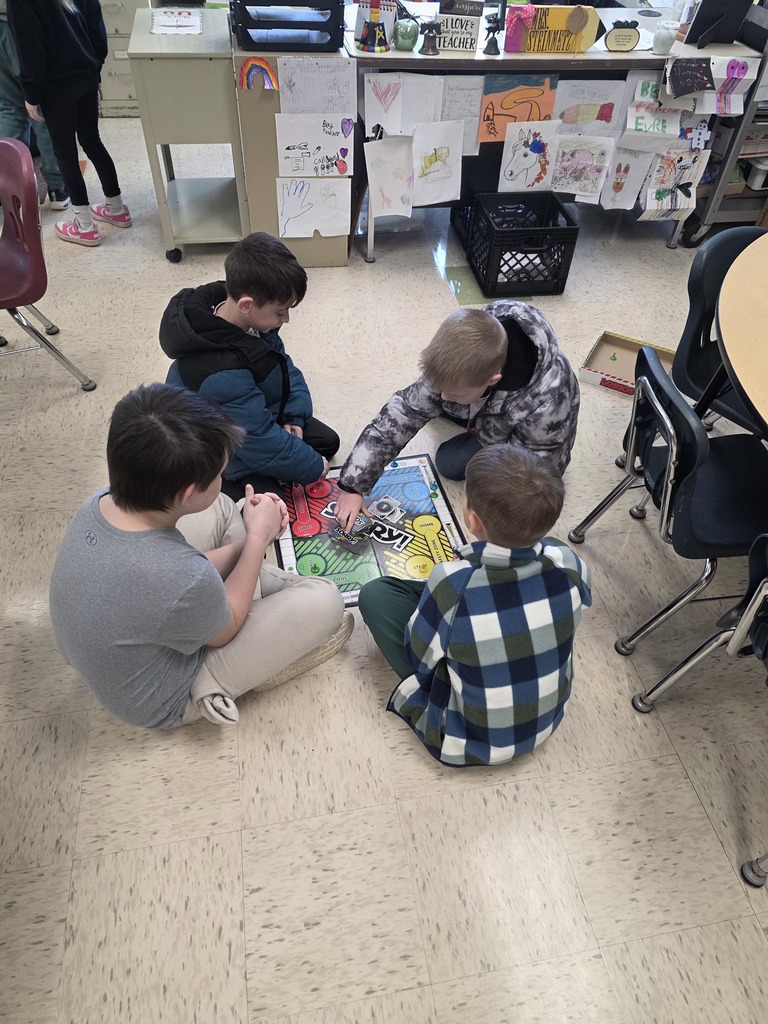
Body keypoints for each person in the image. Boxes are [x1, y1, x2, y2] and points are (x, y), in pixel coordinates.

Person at [49, 383, 352, 729]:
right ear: (189, 492)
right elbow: (220, 627)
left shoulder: (99, 500)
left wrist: (250, 539)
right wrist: (256, 538)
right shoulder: (178, 577)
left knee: (224, 509)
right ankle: (215, 688)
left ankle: (252, 583)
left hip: (112, 651)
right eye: (219, 474)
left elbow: (175, 579)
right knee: (326, 600)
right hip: (163, 698)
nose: (223, 477)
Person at [358, 444, 591, 767]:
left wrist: (454, 578)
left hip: (469, 738)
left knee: (376, 596)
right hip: (544, 724)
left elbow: (418, 654)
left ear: (471, 519)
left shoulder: (452, 582)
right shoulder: (567, 560)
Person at [334, 302, 580, 531]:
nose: (442, 395)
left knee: (449, 463)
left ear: (492, 380)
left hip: (516, 436)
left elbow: (538, 470)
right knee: (429, 403)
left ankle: (474, 421)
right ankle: (468, 410)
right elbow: (402, 414)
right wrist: (354, 485)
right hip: (483, 405)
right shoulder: (463, 355)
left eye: (452, 392)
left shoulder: (547, 401)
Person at [160, 232, 340, 501]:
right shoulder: (219, 371)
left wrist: (292, 416)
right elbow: (255, 439)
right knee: (271, 499)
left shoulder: (250, 321)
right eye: (281, 311)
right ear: (247, 304)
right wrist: (312, 467)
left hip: (251, 416)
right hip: (222, 450)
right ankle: (225, 485)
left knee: (328, 442)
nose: (286, 319)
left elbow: (286, 369)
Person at [7, 0, 131, 247]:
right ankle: (116, 208)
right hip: (84, 74)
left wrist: (31, 94)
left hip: (57, 86)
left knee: (65, 153)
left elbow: (31, 47)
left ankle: (84, 226)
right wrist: (95, 71)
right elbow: (96, 25)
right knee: (92, 141)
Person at [0, 0, 69, 209]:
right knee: (41, 109)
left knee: (9, 109)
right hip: (19, 24)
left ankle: (7, 189)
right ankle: (57, 187)